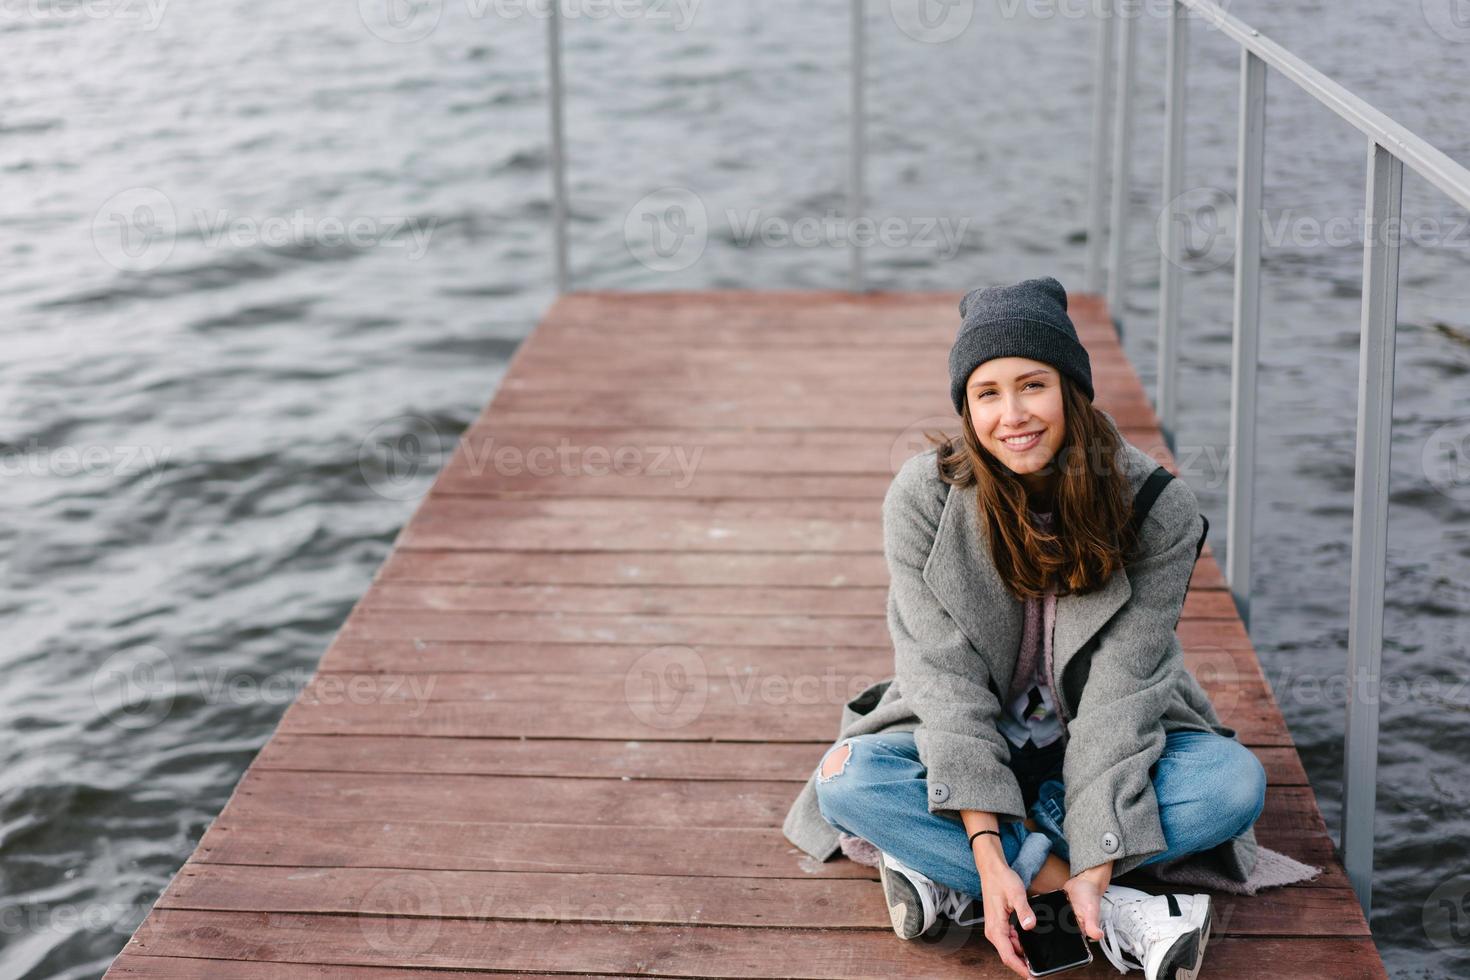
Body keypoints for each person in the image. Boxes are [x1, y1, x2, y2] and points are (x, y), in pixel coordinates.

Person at [808, 277, 1266, 980]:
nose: (1012, 415)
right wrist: (990, 847)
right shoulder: (923, 497)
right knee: (848, 780)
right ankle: (1112, 908)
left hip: (1103, 741)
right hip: (962, 740)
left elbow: (1121, 696)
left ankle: (945, 874)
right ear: (966, 406)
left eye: (1033, 385)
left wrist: (1093, 844)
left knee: (1232, 785)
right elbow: (945, 684)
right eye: (987, 394)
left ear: (1072, 390)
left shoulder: (1156, 508)